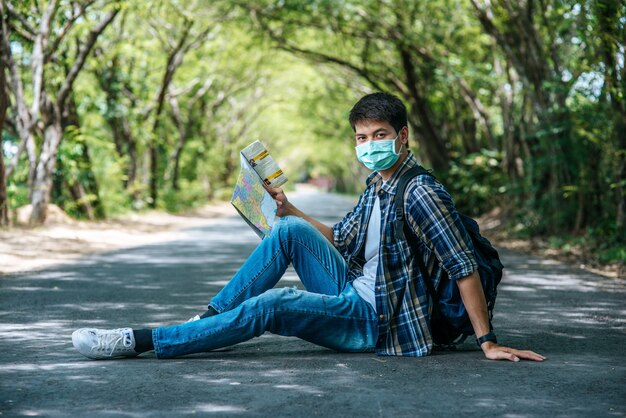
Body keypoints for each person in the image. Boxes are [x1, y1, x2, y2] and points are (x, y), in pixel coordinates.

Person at [72, 92, 545, 362]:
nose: (370, 144)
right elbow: (341, 238)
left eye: (380, 136)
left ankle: (145, 339)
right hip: (356, 286)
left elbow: (462, 266)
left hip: (379, 319)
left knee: (276, 304)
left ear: (402, 136)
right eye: (362, 138)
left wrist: (488, 342)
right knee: (286, 233)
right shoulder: (377, 183)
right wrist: (292, 210)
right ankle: (207, 317)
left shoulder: (420, 192)